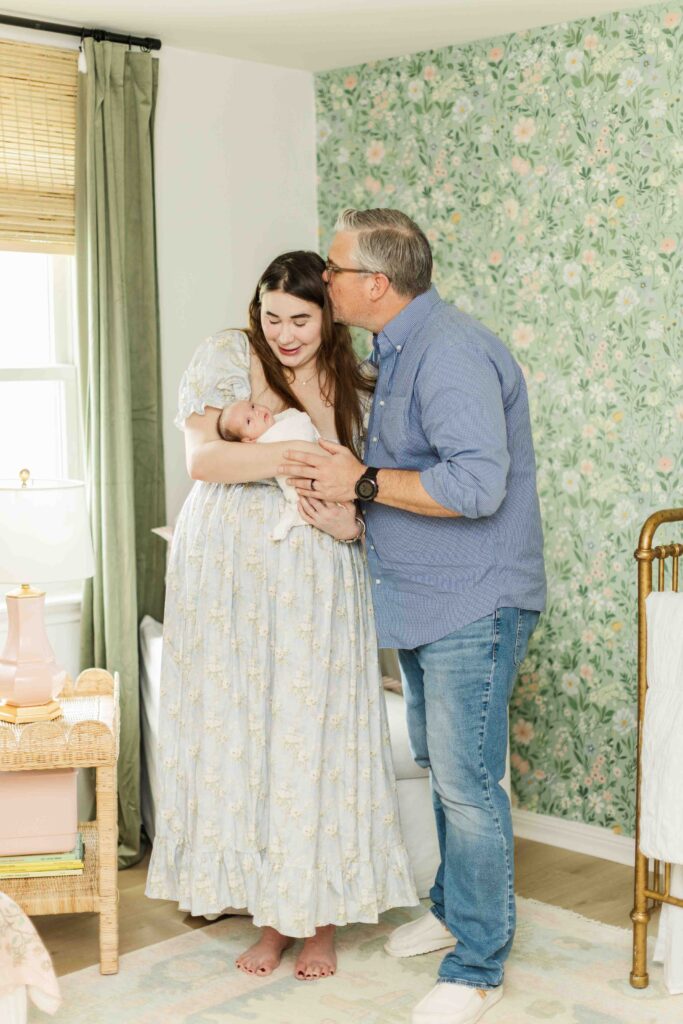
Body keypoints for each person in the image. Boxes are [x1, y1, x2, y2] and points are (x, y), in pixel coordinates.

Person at [279, 210, 546, 1024]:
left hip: (475, 598)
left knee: (468, 785)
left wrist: (358, 483)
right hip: (425, 598)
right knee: (442, 764)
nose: (322, 281)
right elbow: (401, 479)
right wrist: (349, 509)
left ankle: (477, 964)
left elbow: (474, 488)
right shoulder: (392, 353)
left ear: (375, 283)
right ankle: (451, 909)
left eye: (332, 269)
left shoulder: (450, 352)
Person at [145, 249, 418, 983]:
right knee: (246, 733)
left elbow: (354, 473)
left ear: (327, 316)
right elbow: (204, 462)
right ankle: (268, 918)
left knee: (311, 736)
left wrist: (301, 441)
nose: (284, 332)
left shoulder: (346, 374)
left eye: (300, 319)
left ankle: (318, 920)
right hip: (225, 576)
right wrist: (288, 456)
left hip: (313, 575)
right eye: (272, 317)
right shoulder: (225, 355)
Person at [217, 399, 319, 539]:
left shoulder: (283, 419)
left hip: (322, 463)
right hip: (305, 482)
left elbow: (303, 423)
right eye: (248, 421)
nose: (256, 412)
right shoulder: (263, 444)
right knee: (300, 502)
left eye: (252, 407)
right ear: (248, 440)